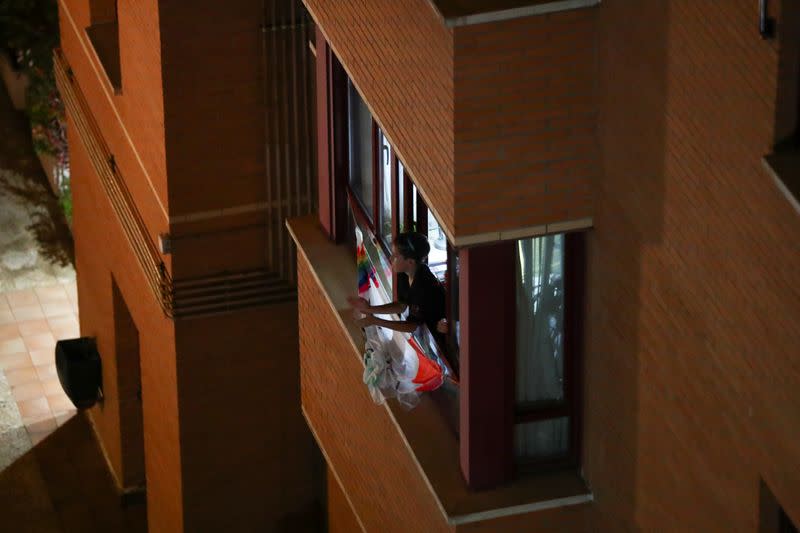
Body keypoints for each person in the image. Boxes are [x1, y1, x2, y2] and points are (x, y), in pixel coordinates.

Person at [348, 232, 448, 344]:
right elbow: (401, 305)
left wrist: (375, 320)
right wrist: (369, 309)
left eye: (395, 256)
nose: (391, 258)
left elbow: (411, 326)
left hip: (440, 339)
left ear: (410, 262)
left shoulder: (424, 287)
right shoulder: (404, 272)